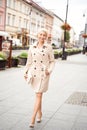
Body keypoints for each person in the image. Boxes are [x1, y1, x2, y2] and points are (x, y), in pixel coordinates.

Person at [24, 28, 55, 128]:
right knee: (38, 94)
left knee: (38, 94)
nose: (42, 37)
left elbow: (52, 61)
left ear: (46, 37)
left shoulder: (49, 47)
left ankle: (32, 118)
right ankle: (40, 113)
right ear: (38, 35)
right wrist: (25, 72)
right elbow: (29, 61)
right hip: (34, 73)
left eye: (44, 35)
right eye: (40, 34)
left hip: (43, 74)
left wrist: (49, 70)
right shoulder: (32, 47)